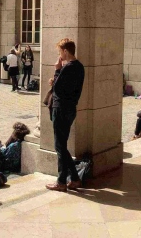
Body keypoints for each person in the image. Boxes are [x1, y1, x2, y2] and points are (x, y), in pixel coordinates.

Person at [47, 38, 85, 192]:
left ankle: (62, 182)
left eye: (59, 52)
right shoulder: (80, 67)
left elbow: (57, 89)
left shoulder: (67, 67)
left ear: (65, 51)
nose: (59, 55)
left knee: (59, 146)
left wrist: (57, 70)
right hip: (70, 109)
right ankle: (74, 179)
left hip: (61, 108)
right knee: (62, 146)